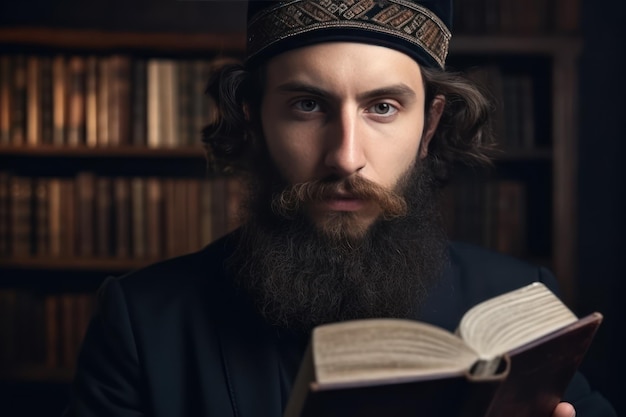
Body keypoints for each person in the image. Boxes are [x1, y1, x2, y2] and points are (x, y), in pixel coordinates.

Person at [65, 1, 616, 416]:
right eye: (307, 106)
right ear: (254, 119)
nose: (345, 157)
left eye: (382, 107)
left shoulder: (519, 306)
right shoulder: (142, 322)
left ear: (428, 126)